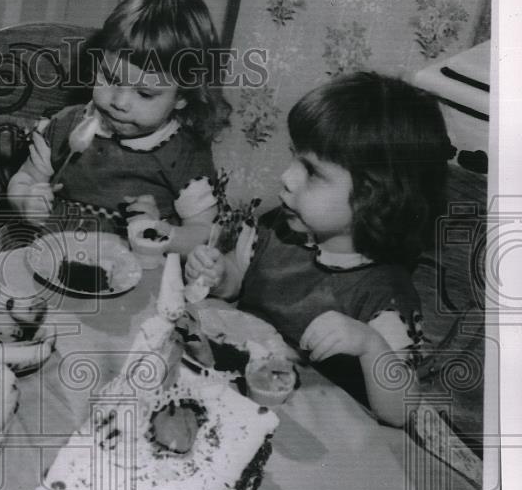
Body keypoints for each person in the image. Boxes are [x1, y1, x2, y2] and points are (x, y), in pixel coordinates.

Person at [184, 72, 450, 426]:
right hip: (234, 399)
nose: (287, 177)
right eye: (295, 158)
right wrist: (218, 275)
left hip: (311, 438)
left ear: (374, 197)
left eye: (311, 171)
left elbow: (400, 412)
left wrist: (371, 346)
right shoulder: (280, 226)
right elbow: (236, 280)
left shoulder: (385, 295)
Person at [5, 0, 230, 250]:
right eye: (110, 78)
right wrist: (25, 200)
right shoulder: (66, 126)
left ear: (182, 96)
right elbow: (24, 178)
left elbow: (203, 232)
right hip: (53, 256)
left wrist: (161, 233)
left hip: (134, 277)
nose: (119, 103)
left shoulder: (185, 156)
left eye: (144, 94)